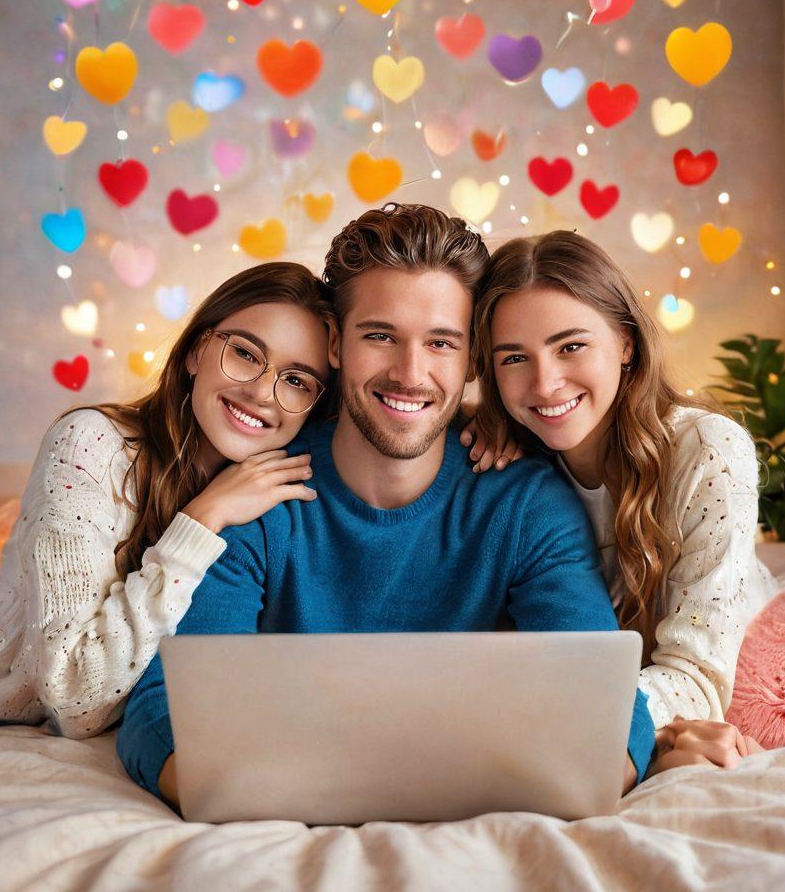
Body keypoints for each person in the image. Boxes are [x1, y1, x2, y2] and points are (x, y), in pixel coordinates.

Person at [116, 203, 657, 809]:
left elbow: (608, 710)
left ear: (472, 358)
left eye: (441, 342)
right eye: (380, 336)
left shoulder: (527, 505)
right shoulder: (257, 496)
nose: (410, 372)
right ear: (336, 345)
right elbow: (164, 710)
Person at [0, 262, 333, 737]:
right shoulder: (89, 446)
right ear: (196, 351)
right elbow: (72, 698)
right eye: (246, 354)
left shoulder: (281, 488)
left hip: (139, 729)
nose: (262, 392)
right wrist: (202, 521)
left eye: (296, 381)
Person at [468, 230, 778, 773]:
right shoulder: (505, 463)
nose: (544, 383)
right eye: (514, 357)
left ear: (626, 341)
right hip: (606, 703)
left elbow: (697, 674)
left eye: (571, 346)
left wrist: (584, 718)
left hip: (737, 663)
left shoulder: (707, 452)